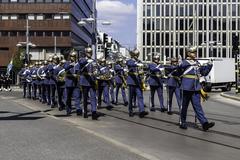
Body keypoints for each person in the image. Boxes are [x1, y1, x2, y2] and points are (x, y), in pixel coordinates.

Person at [178, 46, 215, 131]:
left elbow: (204, 73)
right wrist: (179, 64)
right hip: (186, 87)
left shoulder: (197, 63)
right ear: (188, 53)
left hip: (195, 88)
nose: (195, 53)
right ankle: (182, 122)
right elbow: (179, 71)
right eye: (192, 52)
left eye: (195, 52)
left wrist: (209, 65)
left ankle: (204, 123)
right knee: (184, 106)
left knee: (198, 107)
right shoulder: (184, 62)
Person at [77, 47, 100, 120]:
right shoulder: (82, 60)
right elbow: (80, 64)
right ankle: (85, 111)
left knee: (93, 97)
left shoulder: (94, 61)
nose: (89, 54)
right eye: (88, 52)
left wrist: (97, 72)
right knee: (85, 98)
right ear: (86, 53)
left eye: (90, 52)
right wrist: (87, 61)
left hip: (92, 81)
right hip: (85, 81)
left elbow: (97, 69)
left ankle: (94, 112)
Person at [126, 49, 148, 118]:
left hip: (138, 82)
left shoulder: (139, 61)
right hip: (131, 82)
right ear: (133, 55)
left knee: (140, 96)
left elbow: (143, 68)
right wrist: (137, 64)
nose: (136, 56)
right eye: (135, 55)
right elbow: (130, 64)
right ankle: (130, 110)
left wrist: (144, 67)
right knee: (131, 97)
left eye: (137, 55)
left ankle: (141, 111)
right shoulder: (130, 61)